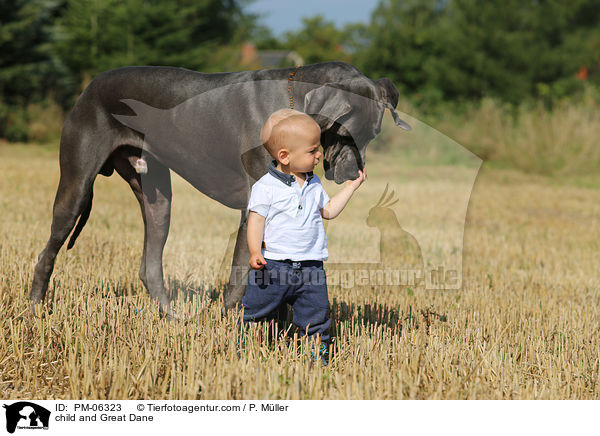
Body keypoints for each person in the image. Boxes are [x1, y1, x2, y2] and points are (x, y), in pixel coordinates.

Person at [241, 108, 366, 364]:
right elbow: (255, 222)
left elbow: (328, 211)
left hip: (311, 267)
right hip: (274, 265)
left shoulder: (314, 183)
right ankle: (249, 350)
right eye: (312, 151)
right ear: (284, 156)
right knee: (257, 311)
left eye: (317, 149)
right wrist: (255, 251)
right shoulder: (265, 187)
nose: (319, 155)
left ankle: (316, 358)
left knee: (316, 316)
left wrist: (350, 189)